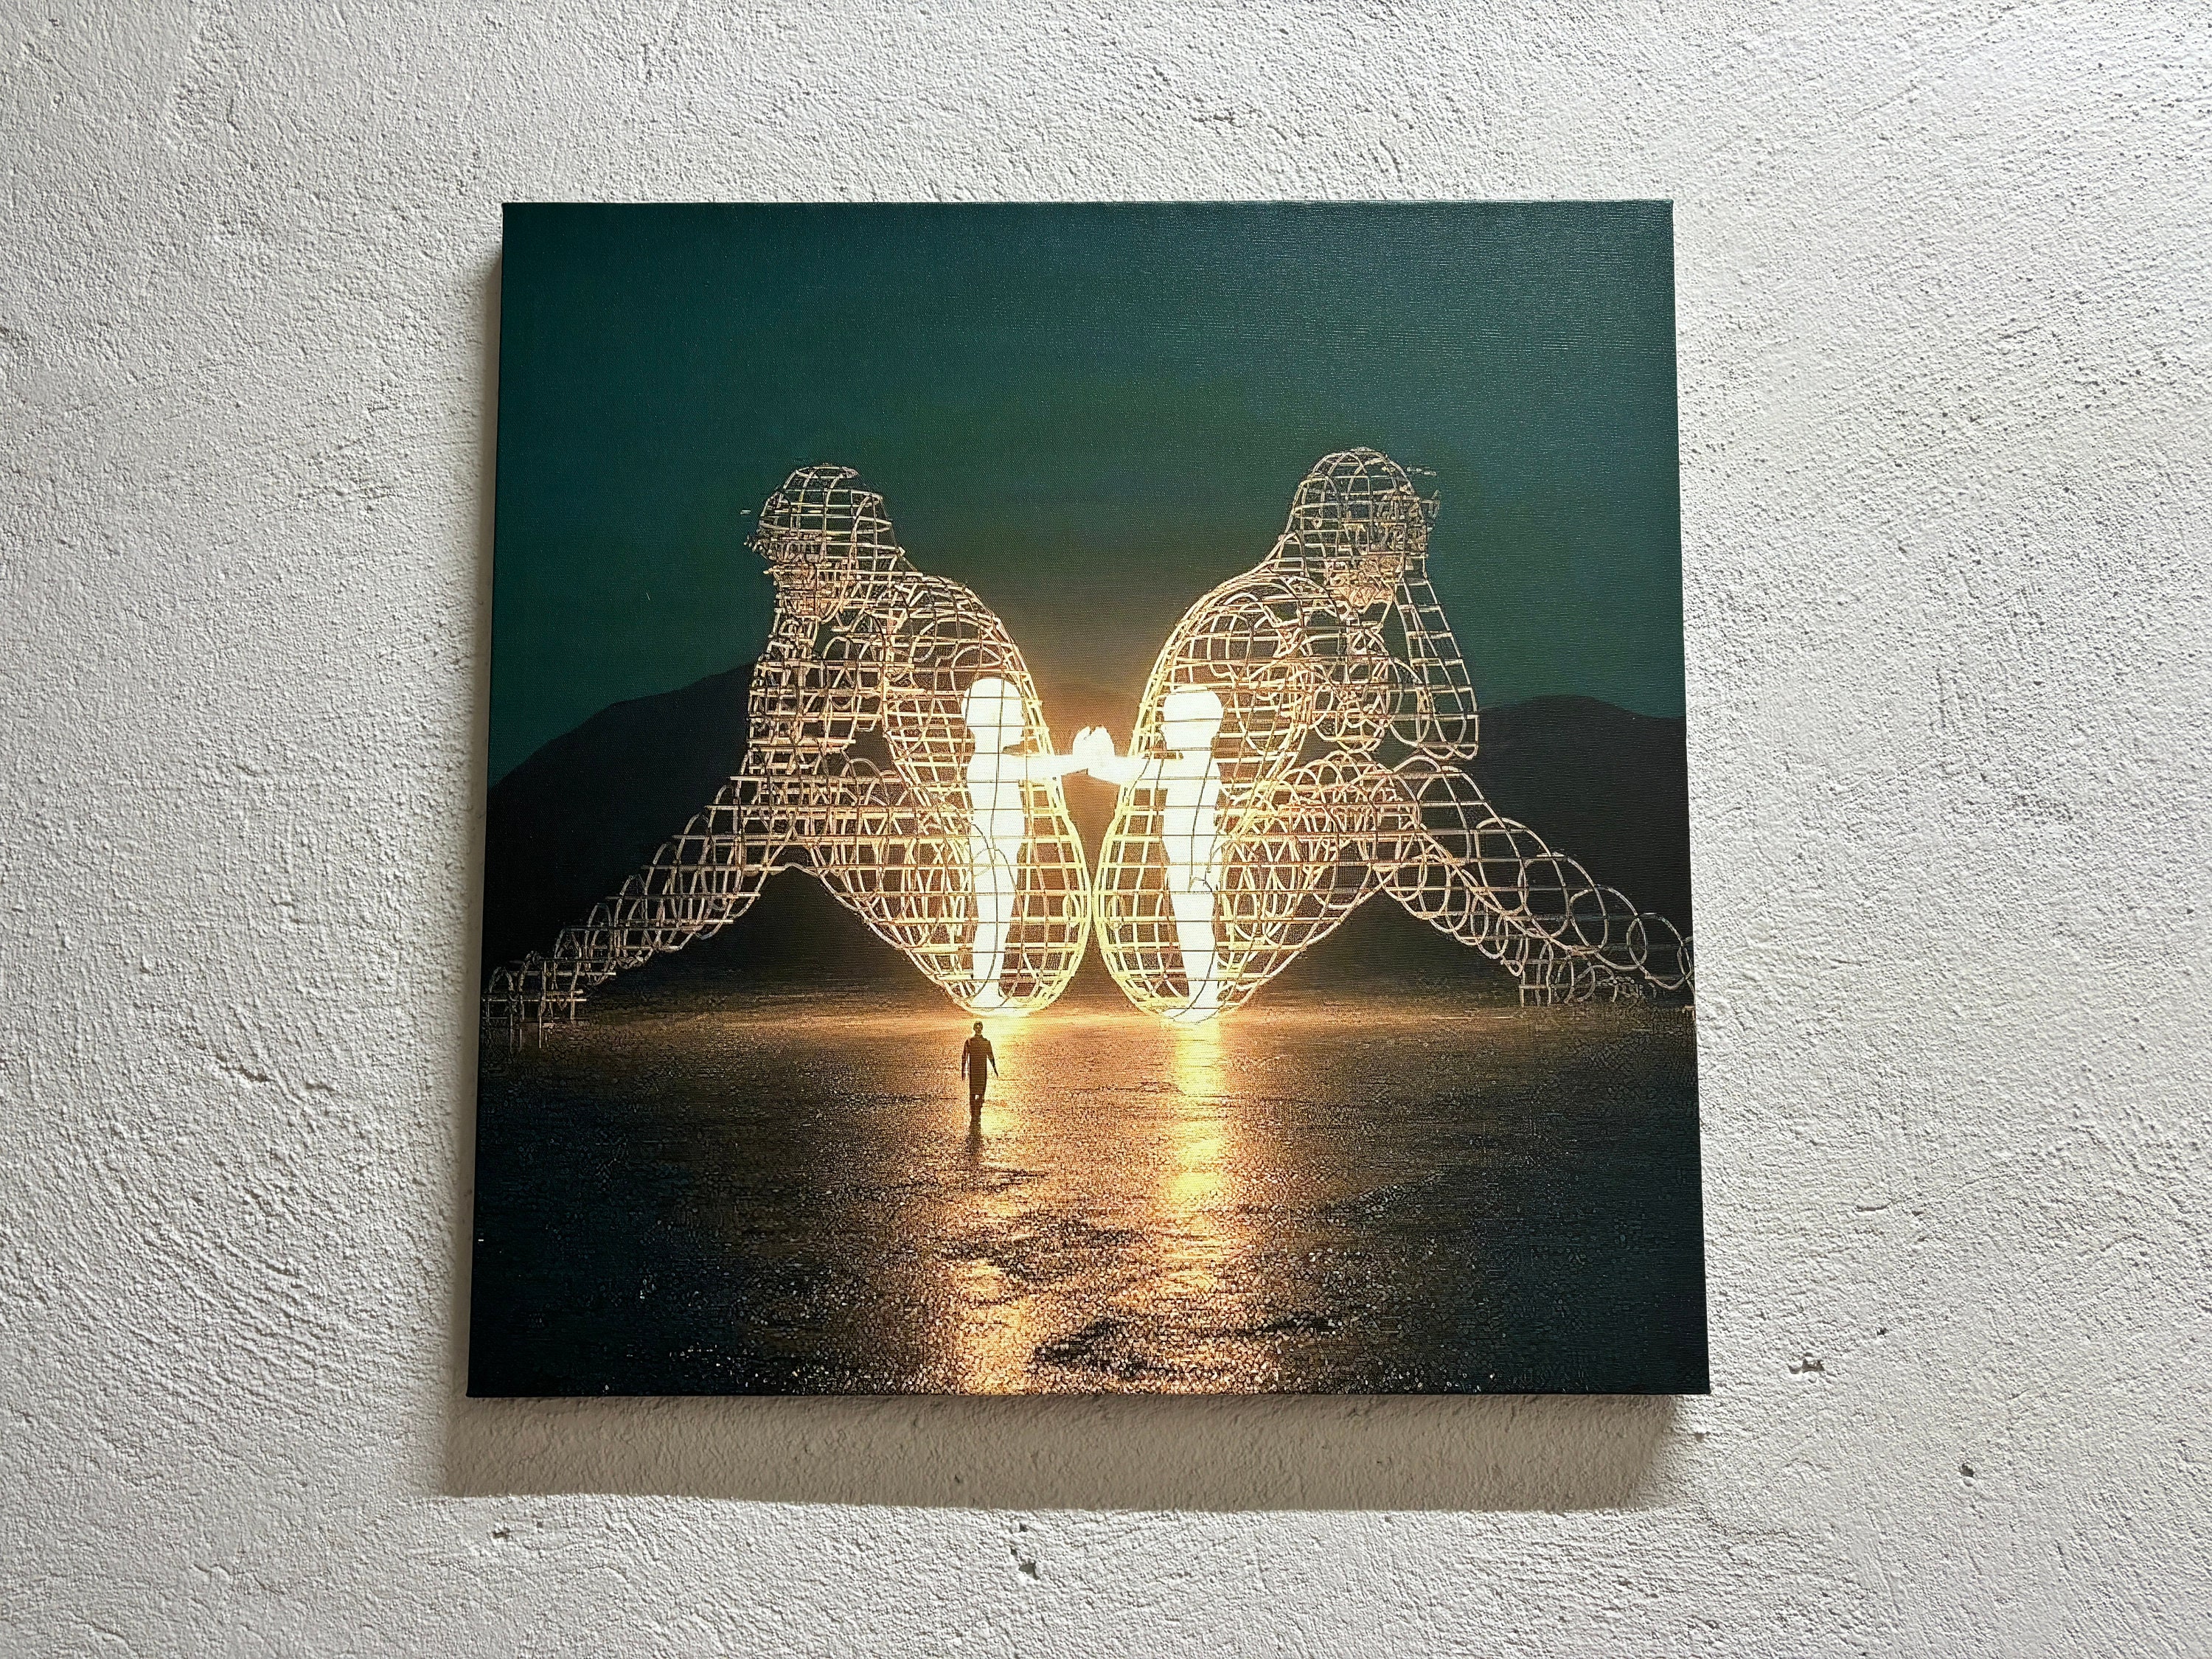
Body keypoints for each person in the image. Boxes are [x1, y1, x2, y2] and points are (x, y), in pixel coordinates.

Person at [959, 1021, 998, 1117]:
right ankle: (974, 1113)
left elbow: (991, 1056)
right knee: (974, 1092)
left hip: (981, 1071)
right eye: (977, 1027)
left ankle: (977, 1112)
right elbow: (964, 1056)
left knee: (979, 1092)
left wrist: (995, 1069)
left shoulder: (985, 1042)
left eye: (979, 1027)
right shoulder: (970, 1042)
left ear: (981, 1029)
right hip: (975, 1071)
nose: (978, 1029)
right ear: (974, 1029)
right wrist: (963, 1069)